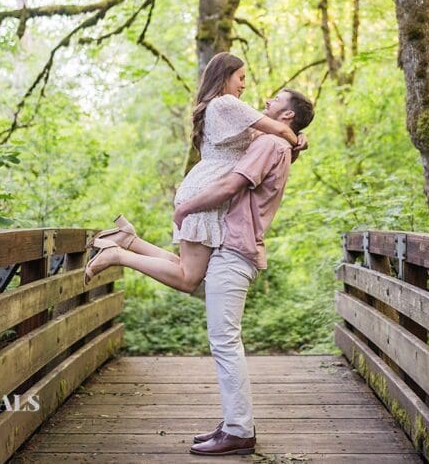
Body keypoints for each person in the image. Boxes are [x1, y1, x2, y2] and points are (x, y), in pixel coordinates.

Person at [83, 52, 300, 294]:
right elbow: (280, 130)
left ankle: (127, 241)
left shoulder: (222, 108)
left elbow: (270, 145)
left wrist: (295, 140)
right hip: (209, 192)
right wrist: (297, 138)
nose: (244, 84)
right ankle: (117, 255)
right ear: (225, 77)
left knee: (183, 268)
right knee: (188, 279)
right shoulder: (227, 103)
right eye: (240, 77)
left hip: (205, 188)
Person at [173, 87, 315, 456]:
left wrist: (186, 207)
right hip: (235, 248)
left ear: (287, 115)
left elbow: (232, 184)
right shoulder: (278, 144)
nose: (266, 103)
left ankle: (239, 430)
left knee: (224, 341)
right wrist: (296, 140)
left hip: (235, 249)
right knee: (224, 339)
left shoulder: (271, 145)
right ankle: (235, 421)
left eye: (275, 102)